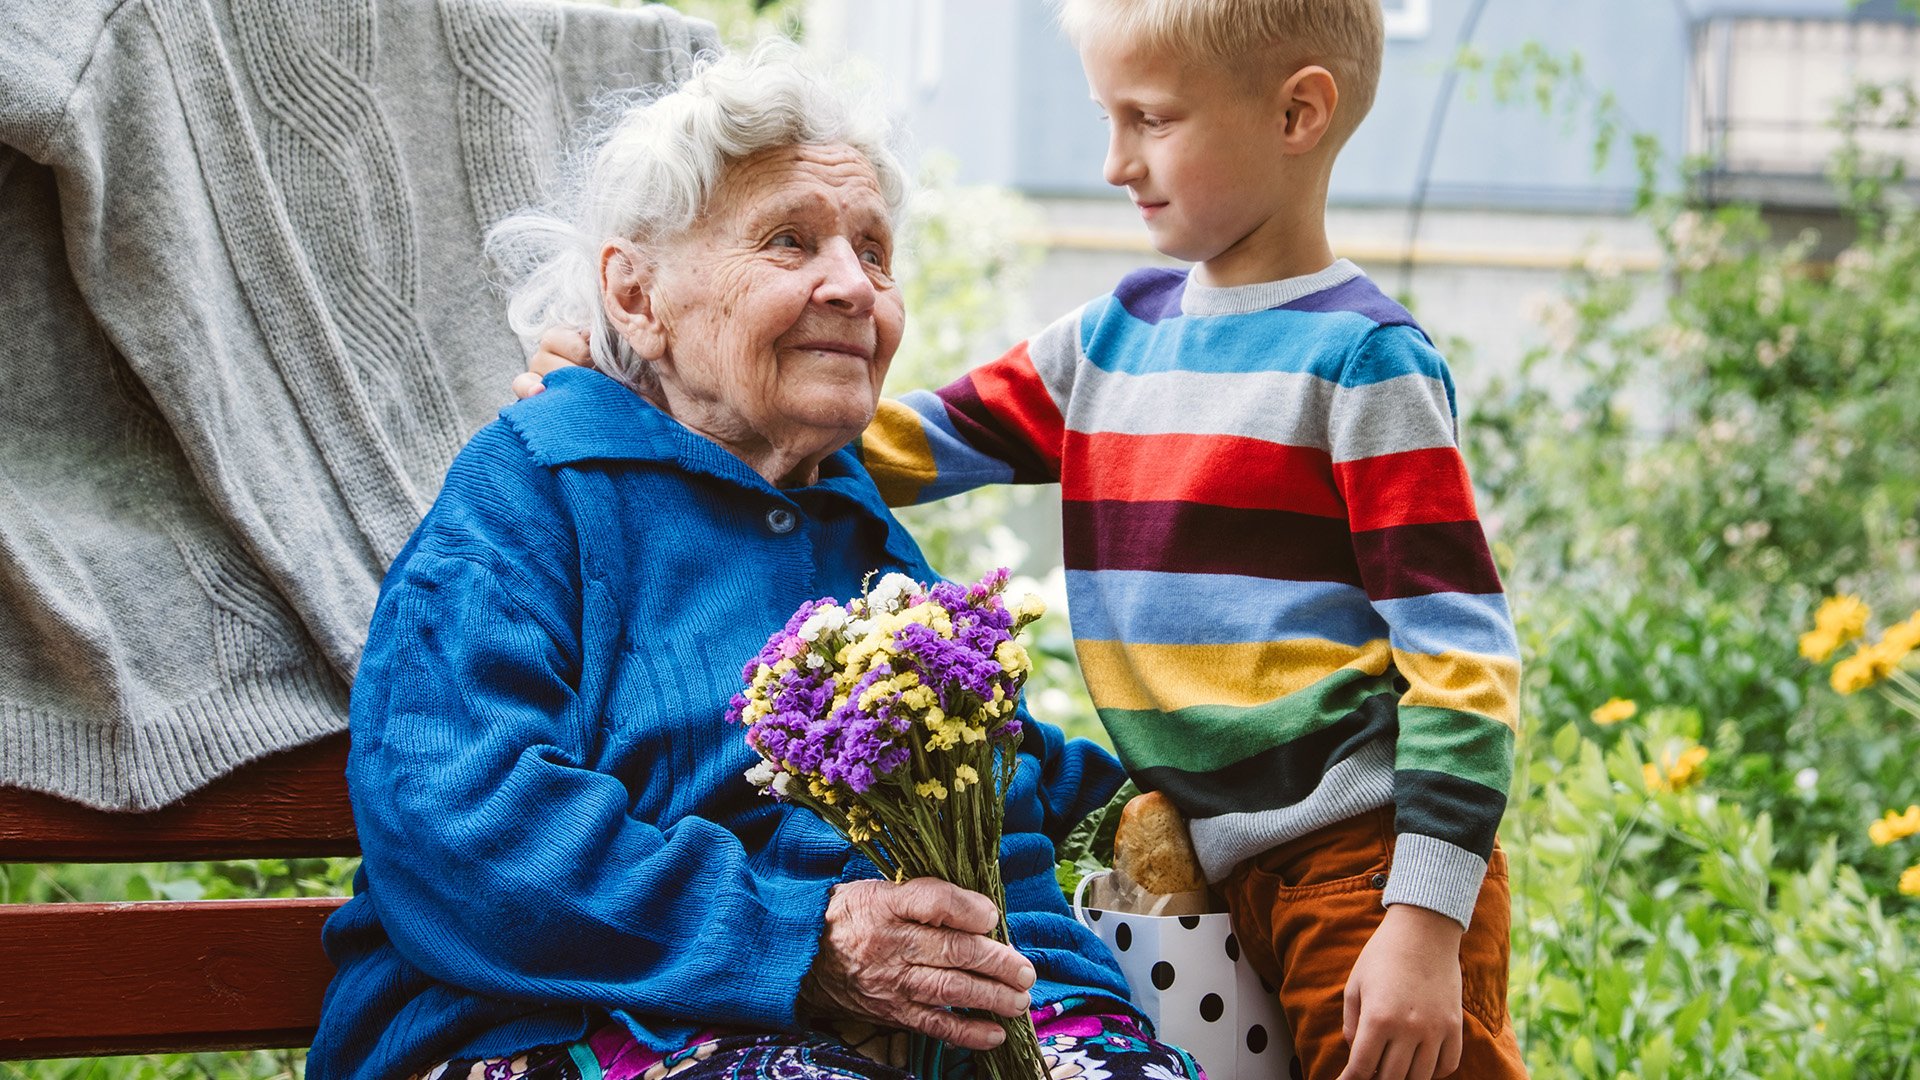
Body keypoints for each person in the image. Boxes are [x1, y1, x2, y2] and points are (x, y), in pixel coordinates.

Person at [524, 3, 1528, 1079]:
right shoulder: (1109, 341)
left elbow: (1463, 660)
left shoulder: (1367, 365)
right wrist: (643, 402)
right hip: (1219, 855)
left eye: (1149, 119)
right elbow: (878, 442)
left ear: (1298, 113)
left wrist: (1425, 917)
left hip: (1358, 859)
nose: (1112, 162)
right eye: (1108, 117)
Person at [308, 44, 1203, 1080]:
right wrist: (800, 939)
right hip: (570, 1026)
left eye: (874, 251)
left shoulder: (863, 540)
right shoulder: (536, 491)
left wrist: (1079, 1007)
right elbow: (459, 821)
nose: (853, 286)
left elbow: (998, 808)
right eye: (790, 241)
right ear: (638, 298)